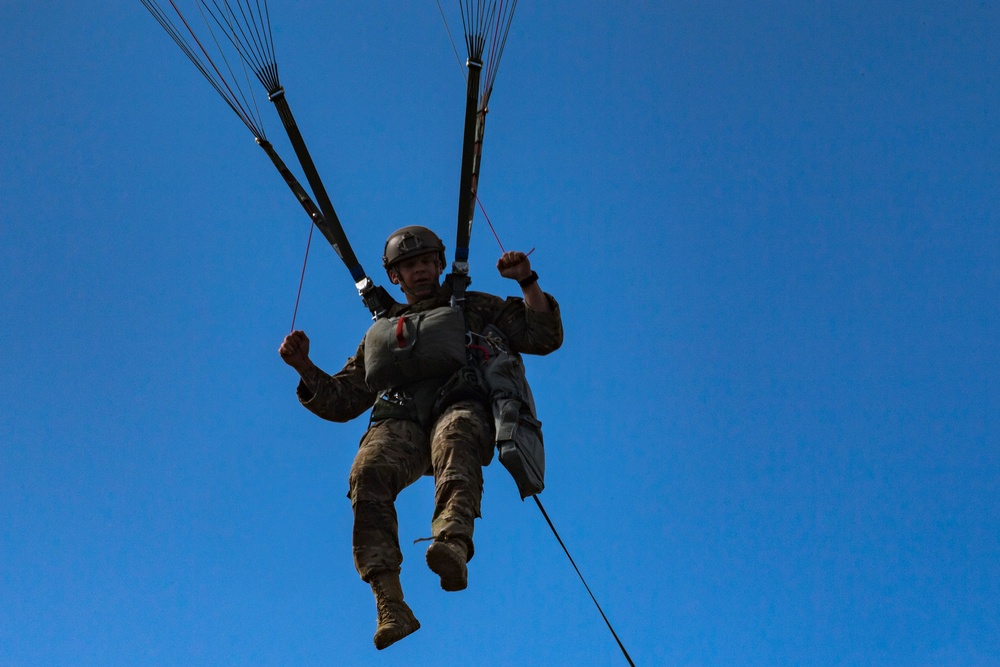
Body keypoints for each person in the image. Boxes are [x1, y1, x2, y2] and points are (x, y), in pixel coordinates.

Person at [278, 226, 563, 650]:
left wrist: (526, 280)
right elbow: (343, 400)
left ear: (441, 264)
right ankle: (390, 603)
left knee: (457, 435)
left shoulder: (473, 306)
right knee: (367, 472)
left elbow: (543, 336)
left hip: (460, 402)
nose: (421, 271)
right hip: (402, 418)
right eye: (410, 266)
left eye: (428, 262)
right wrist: (303, 366)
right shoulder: (385, 329)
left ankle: (452, 542)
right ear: (395, 277)